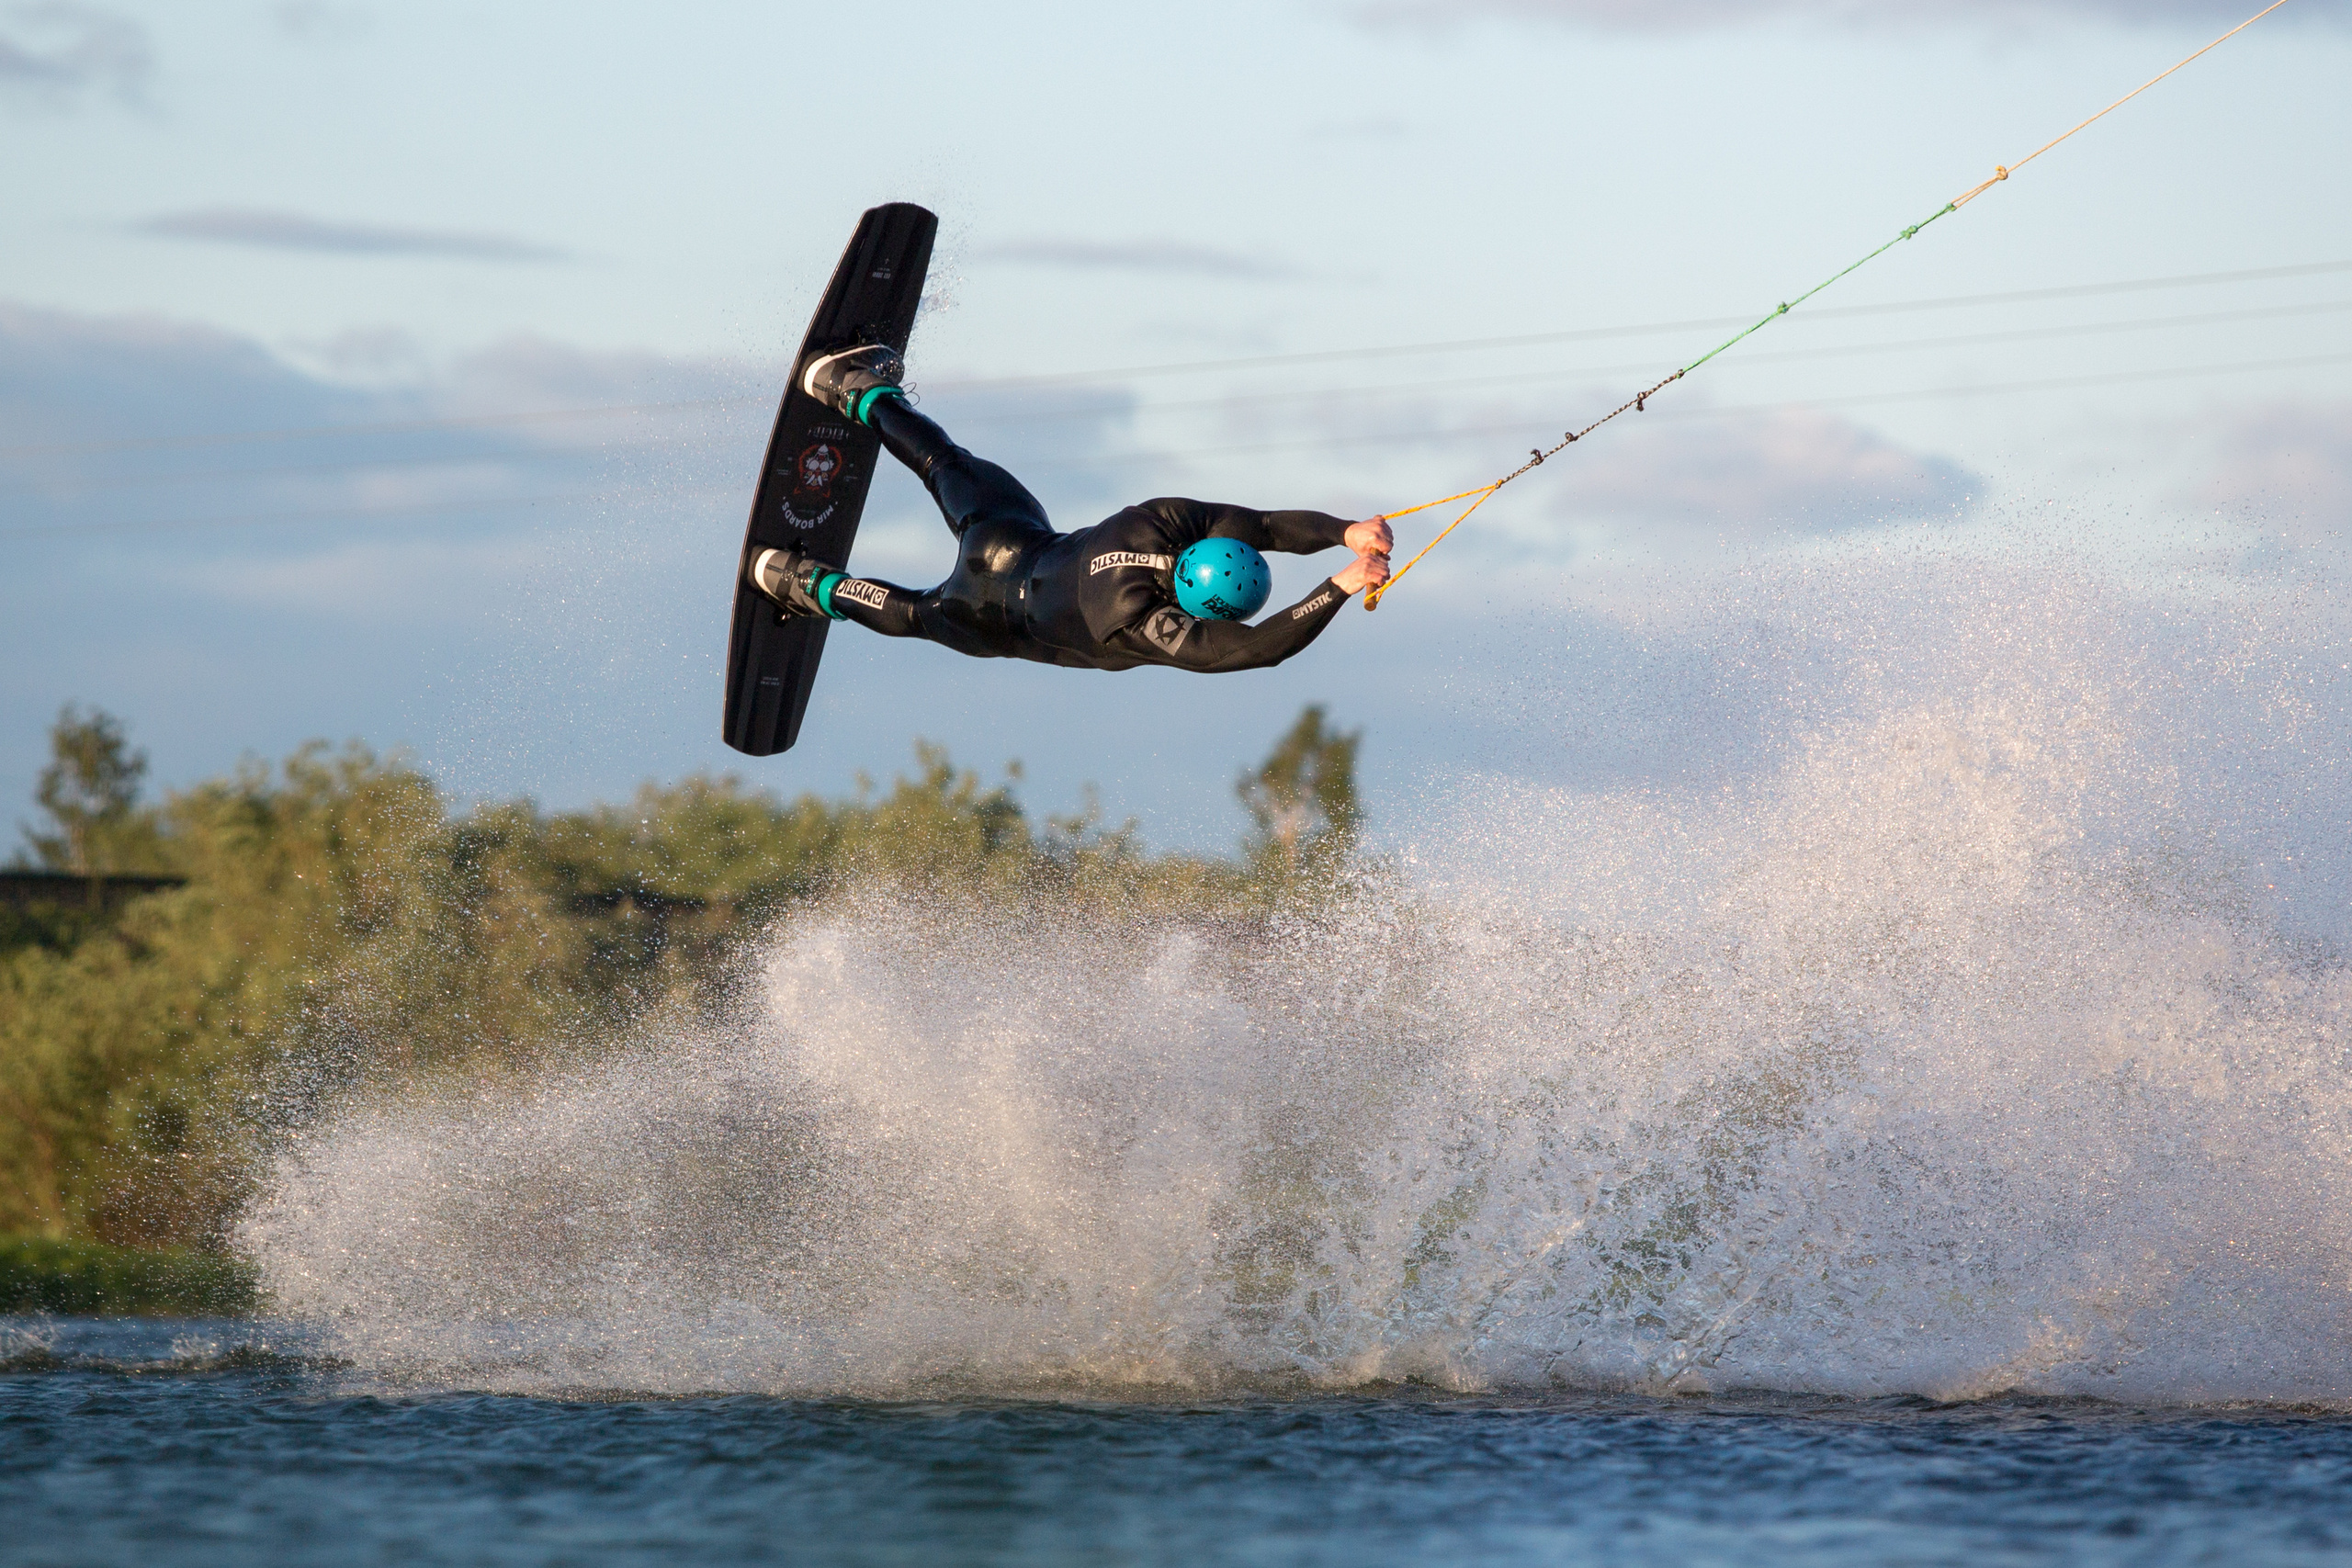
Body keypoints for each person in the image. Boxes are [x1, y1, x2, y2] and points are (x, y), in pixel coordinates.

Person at [747, 345, 1393, 671]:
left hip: (1008, 537)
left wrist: (1347, 533)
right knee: (917, 612)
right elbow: (1257, 648)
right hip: (989, 616)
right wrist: (1336, 588)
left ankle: (848, 387)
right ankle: (800, 582)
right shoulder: (1146, 626)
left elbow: (1268, 527)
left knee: (941, 461)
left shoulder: (1165, 520)